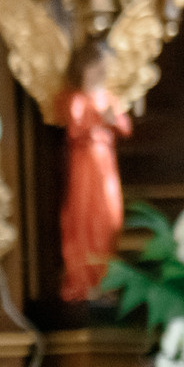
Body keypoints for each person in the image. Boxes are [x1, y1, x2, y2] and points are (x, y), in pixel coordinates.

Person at [58, 34, 129, 302]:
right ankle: (86, 281)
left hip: (105, 162)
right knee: (86, 218)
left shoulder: (108, 96)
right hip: (85, 163)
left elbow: (124, 126)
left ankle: (105, 280)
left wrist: (112, 118)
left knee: (110, 217)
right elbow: (74, 128)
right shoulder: (77, 98)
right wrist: (99, 117)